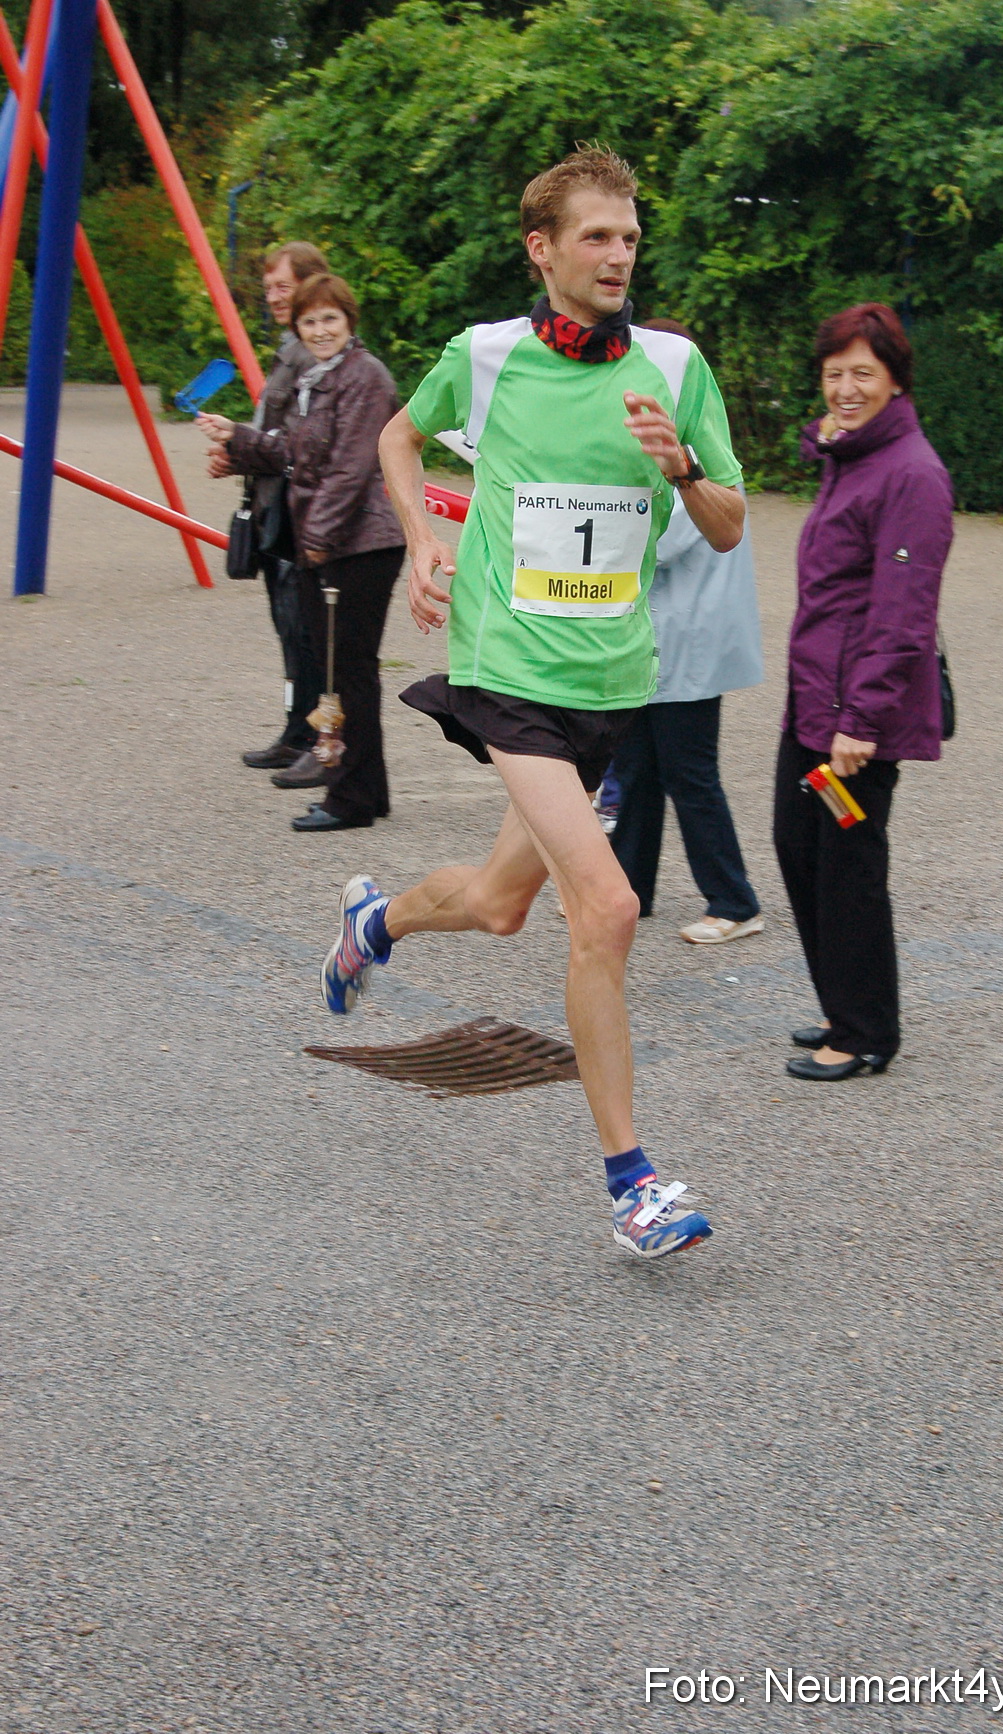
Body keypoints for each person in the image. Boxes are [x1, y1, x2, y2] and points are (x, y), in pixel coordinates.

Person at [320, 147, 745, 1259]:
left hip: (612, 685)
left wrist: (683, 467)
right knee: (602, 910)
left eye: (631, 237)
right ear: (542, 248)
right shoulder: (487, 358)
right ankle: (632, 1185)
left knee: (504, 904)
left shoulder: (673, 365)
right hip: (508, 670)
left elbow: (731, 524)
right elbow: (397, 438)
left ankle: (379, 919)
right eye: (597, 236)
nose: (619, 255)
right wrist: (421, 543)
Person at [773, 302, 953, 1080]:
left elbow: (902, 613)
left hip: (855, 718)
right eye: (833, 373)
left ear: (893, 380)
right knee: (798, 845)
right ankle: (840, 1002)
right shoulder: (849, 457)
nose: (844, 388)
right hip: (815, 703)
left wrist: (862, 718)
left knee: (846, 866)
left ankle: (866, 1030)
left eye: (861, 374)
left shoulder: (910, 473)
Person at [200, 274, 406, 831]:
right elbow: (294, 450)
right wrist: (237, 437)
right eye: (309, 322)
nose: (319, 330)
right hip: (333, 544)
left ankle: (350, 798)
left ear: (349, 322)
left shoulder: (365, 378)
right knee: (342, 672)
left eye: (329, 320)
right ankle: (365, 790)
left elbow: (350, 470)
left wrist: (316, 543)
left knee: (345, 675)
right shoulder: (320, 378)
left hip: (358, 545)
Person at [610, 319, 763, 944]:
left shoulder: (696, 454)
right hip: (656, 640)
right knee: (637, 765)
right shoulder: (664, 452)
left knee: (688, 770)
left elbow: (658, 542)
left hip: (687, 642)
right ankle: (627, 891)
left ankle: (733, 900)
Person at [210, 241, 328, 788]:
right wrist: (238, 448)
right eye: (270, 290)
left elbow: (297, 440)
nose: (275, 298)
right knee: (290, 627)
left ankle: (312, 736)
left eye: (284, 287)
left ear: (311, 283)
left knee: (306, 630)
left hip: (301, 511)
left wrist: (240, 442)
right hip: (277, 504)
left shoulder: (313, 352)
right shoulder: (290, 347)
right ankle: (296, 729)